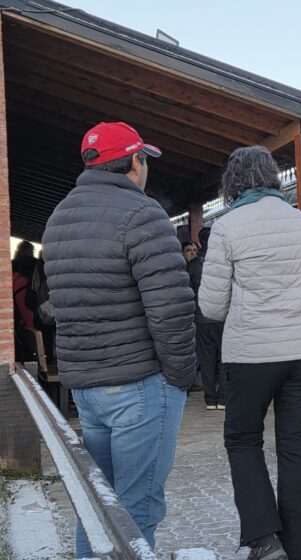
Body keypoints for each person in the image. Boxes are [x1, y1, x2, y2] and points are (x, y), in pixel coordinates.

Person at [41, 122, 195, 557]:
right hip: (140, 385)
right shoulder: (143, 214)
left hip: (88, 388)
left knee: (99, 506)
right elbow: (171, 309)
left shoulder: (59, 219)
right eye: (144, 159)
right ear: (134, 161)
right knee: (136, 510)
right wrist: (180, 378)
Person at [198, 145, 301, 560]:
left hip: (252, 354)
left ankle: (263, 538)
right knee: (295, 448)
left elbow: (212, 306)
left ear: (232, 184)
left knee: (242, 440)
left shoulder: (227, 227)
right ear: (273, 178)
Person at [188, 227, 226, 410]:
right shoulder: (222, 262)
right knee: (224, 357)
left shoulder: (193, 266)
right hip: (222, 316)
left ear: (200, 242)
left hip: (201, 317)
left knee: (207, 358)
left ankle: (210, 398)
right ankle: (224, 397)